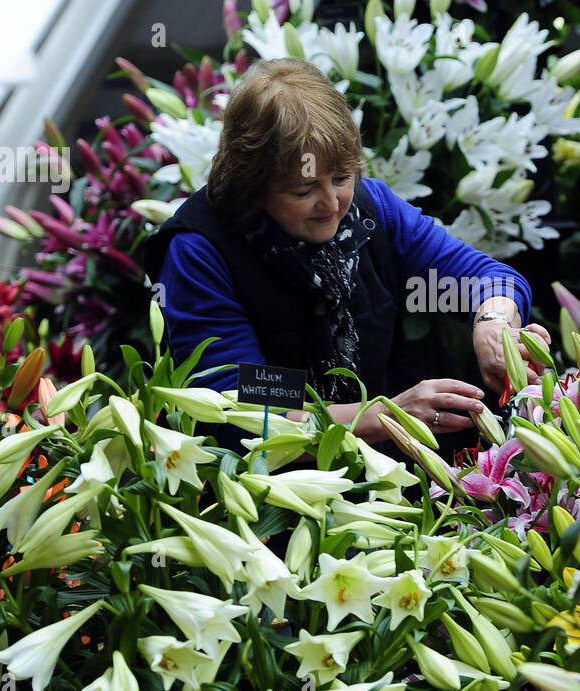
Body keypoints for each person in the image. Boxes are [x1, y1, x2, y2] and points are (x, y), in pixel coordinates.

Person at [142, 58, 551, 453]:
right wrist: (387, 416)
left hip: (380, 480)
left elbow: (486, 277)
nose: (332, 203)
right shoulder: (200, 251)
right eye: (304, 191)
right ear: (252, 184)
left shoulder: (372, 210)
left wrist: (493, 326)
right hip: (265, 495)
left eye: (342, 177)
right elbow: (239, 412)